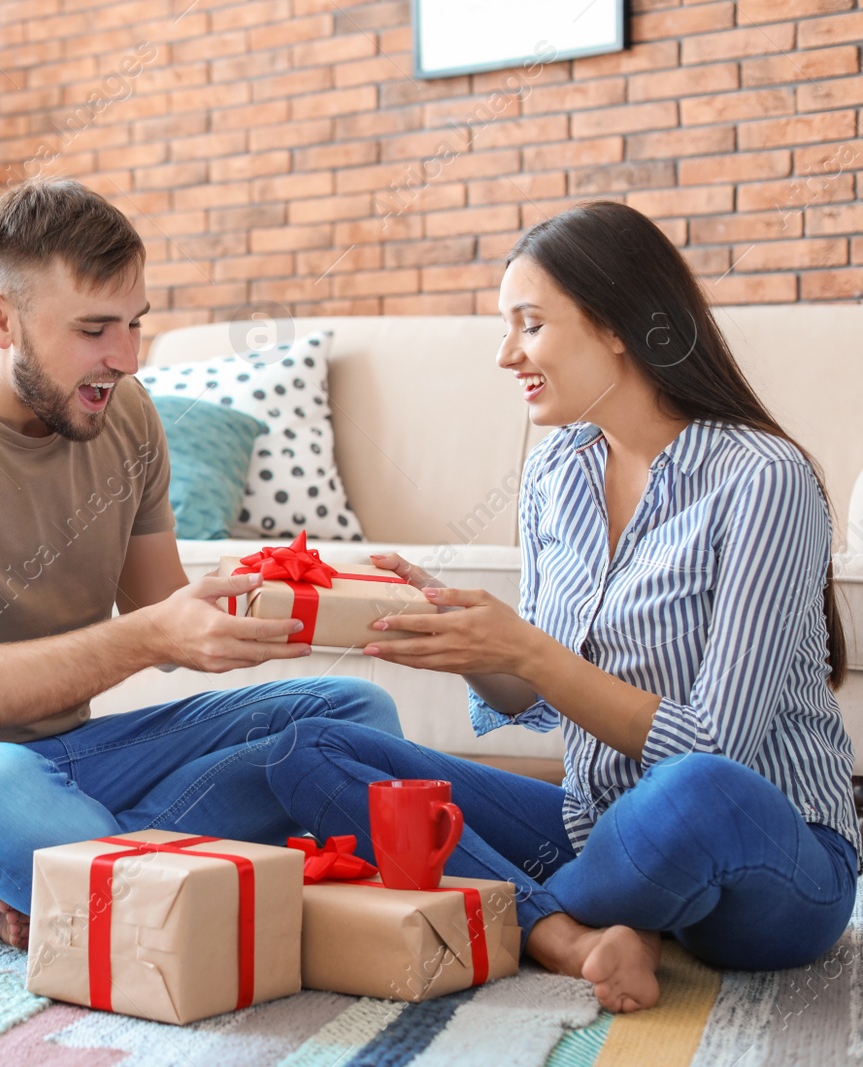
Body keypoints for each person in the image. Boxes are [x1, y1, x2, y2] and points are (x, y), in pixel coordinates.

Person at [265, 200, 858, 1014]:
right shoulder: (555, 474)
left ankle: (542, 913)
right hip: (596, 826)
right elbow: (537, 697)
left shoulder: (763, 478)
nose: (507, 354)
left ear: (618, 325)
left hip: (768, 853)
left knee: (698, 789)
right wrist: (472, 641)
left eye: (530, 324)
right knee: (308, 747)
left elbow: (718, 743)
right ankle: (583, 930)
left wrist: (528, 648)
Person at [0, 176, 402, 949]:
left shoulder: (124, 415)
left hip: (74, 762)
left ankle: (62, 874)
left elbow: (166, 608)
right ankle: (95, 868)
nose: (125, 358)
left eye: (134, 324)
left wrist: (319, 601)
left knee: (353, 716)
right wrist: (151, 636)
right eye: (95, 329)